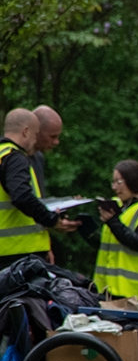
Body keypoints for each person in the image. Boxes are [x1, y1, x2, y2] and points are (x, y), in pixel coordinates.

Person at [0, 109, 80, 270]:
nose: (36, 139)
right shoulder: (15, 157)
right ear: (26, 132)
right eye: (36, 134)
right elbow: (22, 196)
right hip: (18, 252)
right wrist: (51, 220)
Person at [93, 160, 138, 302]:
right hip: (110, 289)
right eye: (113, 182)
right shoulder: (121, 207)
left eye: (119, 182)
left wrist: (113, 221)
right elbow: (110, 246)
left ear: (133, 180)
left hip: (135, 292)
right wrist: (86, 230)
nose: (114, 187)